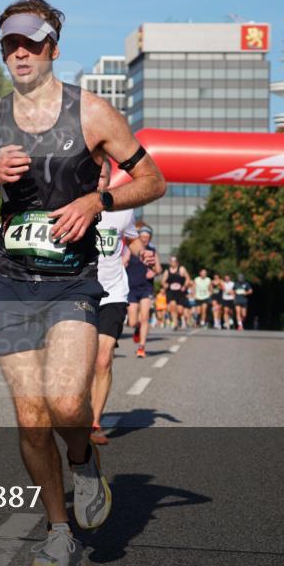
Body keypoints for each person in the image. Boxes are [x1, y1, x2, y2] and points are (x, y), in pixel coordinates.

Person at [0, 0, 165, 566]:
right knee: (30, 417)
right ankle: (58, 530)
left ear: (53, 46)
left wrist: (97, 199)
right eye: (9, 44)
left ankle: (82, 460)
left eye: (30, 42)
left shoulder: (93, 113)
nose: (19, 53)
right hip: (10, 282)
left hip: (72, 279)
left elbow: (153, 180)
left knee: (69, 401)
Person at [91, 160, 154, 446]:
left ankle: (93, 422)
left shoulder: (121, 208)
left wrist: (144, 254)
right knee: (78, 363)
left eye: (102, 174)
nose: (97, 179)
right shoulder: (68, 204)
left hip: (113, 292)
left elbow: (132, 241)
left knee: (103, 359)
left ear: (109, 177)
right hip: (77, 292)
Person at [126, 226, 157, 358]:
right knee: (132, 322)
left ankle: (141, 347)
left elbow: (159, 268)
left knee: (145, 317)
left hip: (146, 287)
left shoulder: (152, 251)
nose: (144, 239)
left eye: (147, 237)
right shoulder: (130, 250)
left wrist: (154, 271)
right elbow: (122, 263)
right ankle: (137, 328)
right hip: (131, 288)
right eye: (142, 237)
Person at [161, 256, 191, 331]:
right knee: (172, 306)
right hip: (171, 292)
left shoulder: (181, 269)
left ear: (177, 262)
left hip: (180, 291)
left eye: (174, 261)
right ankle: (175, 324)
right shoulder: (167, 271)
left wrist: (185, 286)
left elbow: (188, 278)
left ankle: (179, 318)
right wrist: (165, 285)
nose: (173, 263)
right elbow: (163, 281)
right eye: (171, 261)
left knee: (180, 310)